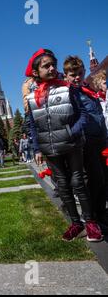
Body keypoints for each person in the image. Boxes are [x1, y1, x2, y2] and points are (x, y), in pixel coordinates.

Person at [25, 48, 103, 242]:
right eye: (46, 66)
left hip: (72, 144)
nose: (52, 68)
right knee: (63, 184)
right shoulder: (31, 98)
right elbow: (32, 125)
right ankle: (75, 223)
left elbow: (82, 114)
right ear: (36, 72)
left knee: (78, 182)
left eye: (53, 64)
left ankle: (91, 223)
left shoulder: (67, 88)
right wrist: (36, 148)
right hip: (49, 148)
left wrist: (72, 132)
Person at [63, 56, 108, 227]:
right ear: (66, 75)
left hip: (101, 138)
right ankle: (94, 216)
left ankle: (101, 212)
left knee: (105, 177)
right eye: (73, 74)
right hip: (87, 141)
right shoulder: (70, 93)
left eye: (80, 73)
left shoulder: (87, 90)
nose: (77, 77)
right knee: (95, 179)